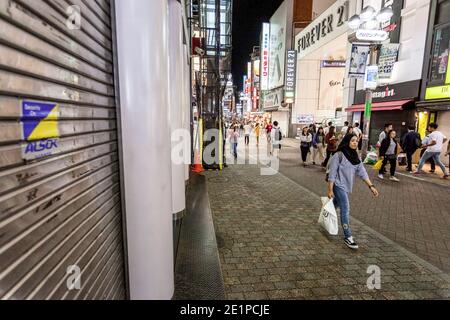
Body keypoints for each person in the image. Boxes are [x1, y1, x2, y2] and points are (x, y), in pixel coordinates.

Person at [328, 134, 379, 250]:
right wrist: (330, 189)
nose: (355, 143)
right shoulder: (338, 155)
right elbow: (332, 174)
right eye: (352, 141)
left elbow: (362, 172)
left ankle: (325, 215)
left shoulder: (356, 157)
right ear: (347, 142)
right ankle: (348, 236)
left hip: (346, 187)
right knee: (345, 209)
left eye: (356, 141)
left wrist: (371, 186)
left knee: (333, 205)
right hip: (338, 185)